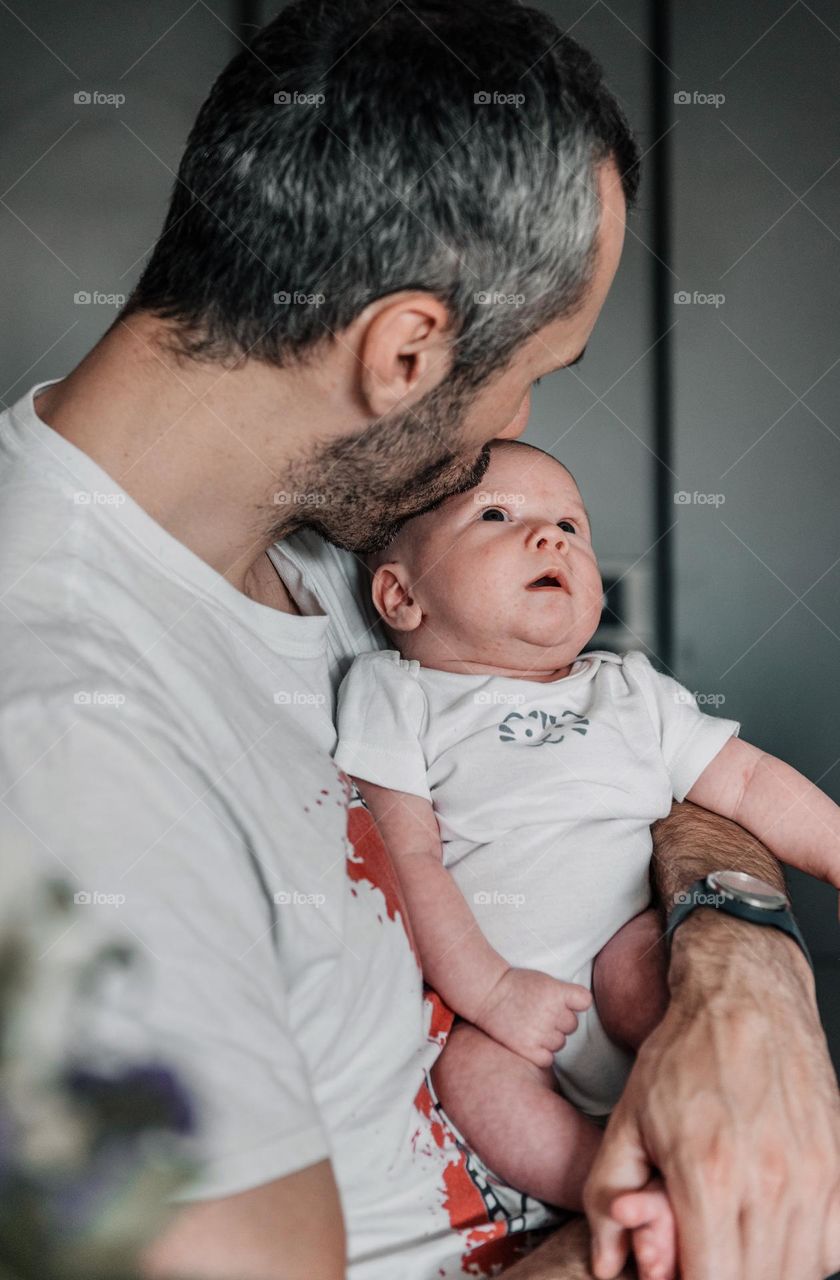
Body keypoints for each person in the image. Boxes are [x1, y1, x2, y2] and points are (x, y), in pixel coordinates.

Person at [0, 2, 837, 1279]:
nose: (521, 424)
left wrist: (741, 980)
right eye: (539, 370)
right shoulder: (56, 732)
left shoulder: (340, 548)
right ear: (405, 351)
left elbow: (634, 767)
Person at [334, 436, 840, 1280]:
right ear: (401, 595)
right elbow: (408, 858)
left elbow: (750, 785)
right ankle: (606, 1183)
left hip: (621, 942)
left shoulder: (631, 691)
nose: (551, 539)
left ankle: (695, 1154)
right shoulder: (396, 694)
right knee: (475, 1080)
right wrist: (490, 991)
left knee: (665, 997)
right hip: (494, 983)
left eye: (571, 524)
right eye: (498, 516)